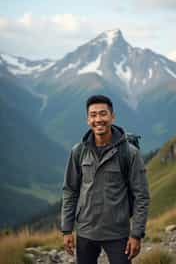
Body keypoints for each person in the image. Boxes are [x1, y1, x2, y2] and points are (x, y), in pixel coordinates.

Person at [61, 95, 150, 264]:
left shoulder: (129, 153)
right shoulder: (78, 152)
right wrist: (66, 230)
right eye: (93, 115)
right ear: (88, 120)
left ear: (112, 116)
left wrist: (136, 234)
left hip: (118, 234)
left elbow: (142, 196)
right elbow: (70, 190)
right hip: (86, 232)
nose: (98, 119)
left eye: (103, 114)